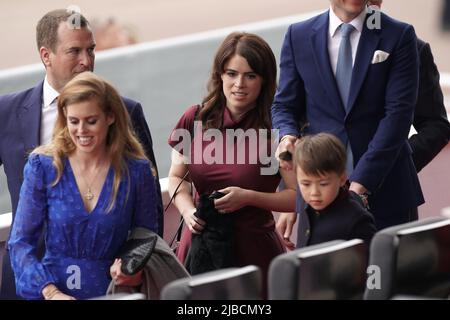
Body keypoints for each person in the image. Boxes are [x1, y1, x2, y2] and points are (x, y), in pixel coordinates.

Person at [0, 9, 163, 299]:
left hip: (112, 287)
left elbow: (148, 223)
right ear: (46, 55)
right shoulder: (7, 113)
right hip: (30, 285)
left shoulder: (128, 113)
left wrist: (132, 266)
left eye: (91, 50)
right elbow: (21, 239)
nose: (86, 61)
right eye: (74, 51)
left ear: (110, 118)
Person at [273, 0, 424, 242]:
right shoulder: (298, 35)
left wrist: (359, 185)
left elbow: (398, 116)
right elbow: (284, 105)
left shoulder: (399, 35)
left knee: (386, 277)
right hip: (316, 200)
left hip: (386, 191)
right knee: (320, 277)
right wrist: (287, 135)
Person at [167, 32, 296, 283]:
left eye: (250, 76)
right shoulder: (193, 119)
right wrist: (187, 211)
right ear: (219, 75)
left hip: (255, 251)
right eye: (232, 74)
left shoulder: (277, 131)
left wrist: (248, 198)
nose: (239, 84)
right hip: (197, 246)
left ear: (264, 80)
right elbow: (176, 177)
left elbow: (296, 197)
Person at [368, 0, 450, 172]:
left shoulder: (411, 47)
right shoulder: (301, 38)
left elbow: (435, 125)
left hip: (385, 188)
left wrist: (396, 166)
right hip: (316, 182)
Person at [294, 133, 376, 247]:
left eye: (323, 184)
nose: (314, 193)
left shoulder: (357, 219)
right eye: (306, 184)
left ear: (342, 178)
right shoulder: (306, 203)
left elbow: (370, 262)